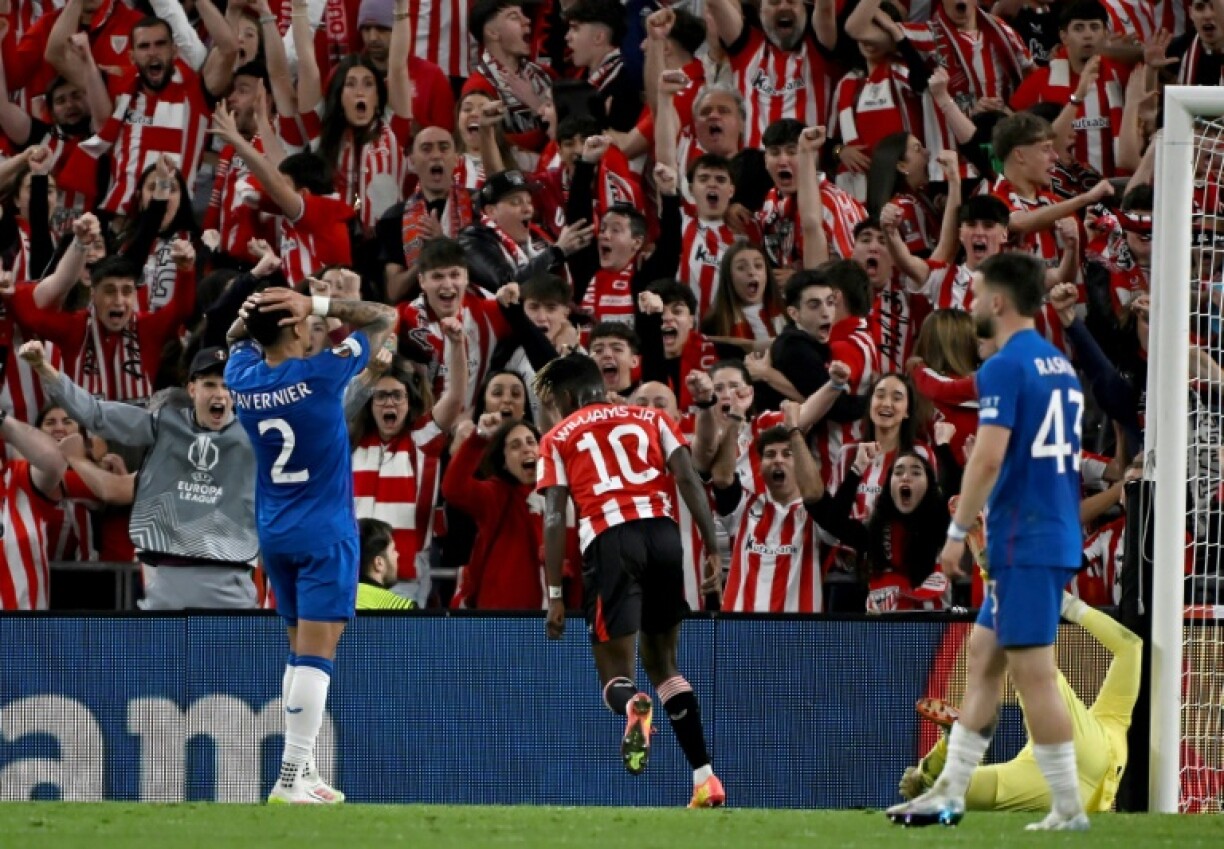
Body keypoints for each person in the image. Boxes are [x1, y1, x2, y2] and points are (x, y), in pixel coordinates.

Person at [886, 251, 1089, 831]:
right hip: (1046, 529)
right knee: (983, 658)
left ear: (998, 301)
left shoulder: (1005, 365)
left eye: (975, 293)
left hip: (1026, 539)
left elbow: (989, 457)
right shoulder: (1059, 365)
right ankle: (950, 792)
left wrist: (957, 532)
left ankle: (1068, 807)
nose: (971, 303)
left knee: (1034, 674)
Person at [225, 284, 396, 804]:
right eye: (301, 320)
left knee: (299, 651)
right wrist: (318, 304)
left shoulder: (241, 376)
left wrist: (255, 313)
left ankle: (305, 772)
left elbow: (235, 337)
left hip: (276, 533)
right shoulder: (322, 373)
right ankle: (287, 777)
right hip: (325, 533)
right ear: (295, 326)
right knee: (318, 657)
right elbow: (383, 317)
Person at [533, 352, 725, 807]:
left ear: (566, 396)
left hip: (610, 539)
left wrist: (555, 594)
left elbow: (555, 517)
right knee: (665, 665)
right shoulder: (652, 417)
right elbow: (688, 479)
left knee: (615, 675)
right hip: (663, 535)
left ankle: (633, 705)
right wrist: (712, 545)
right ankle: (705, 778)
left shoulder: (558, 436)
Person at [22, 341, 259, 610]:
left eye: (227, 386)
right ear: (192, 389)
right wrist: (44, 368)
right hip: (167, 588)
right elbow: (96, 414)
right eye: (210, 385)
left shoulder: (254, 437)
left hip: (231, 586)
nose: (220, 394)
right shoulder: (164, 426)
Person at [899, 594, 1141, 815]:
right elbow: (1130, 645)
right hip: (1077, 785)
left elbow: (1130, 647)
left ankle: (936, 765)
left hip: (1048, 780)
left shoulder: (1112, 715)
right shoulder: (1114, 715)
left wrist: (1066, 603)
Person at [356, 518, 417, 610]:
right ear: (379, 563)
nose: (397, 554)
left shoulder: (335, 601)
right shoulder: (403, 608)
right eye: (393, 550)